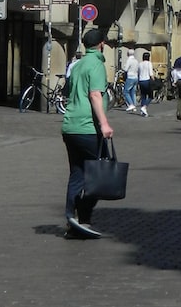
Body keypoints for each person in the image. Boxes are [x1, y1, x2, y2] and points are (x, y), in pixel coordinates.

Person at [61, 26, 114, 237]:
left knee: (77, 174)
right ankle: (83, 218)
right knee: (100, 176)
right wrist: (104, 124)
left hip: (70, 126)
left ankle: (71, 218)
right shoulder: (97, 65)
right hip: (88, 128)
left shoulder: (77, 65)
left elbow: (69, 92)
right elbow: (95, 95)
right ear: (101, 44)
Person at [136, 51, 154, 116]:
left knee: (143, 96)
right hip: (147, 80)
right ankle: (144, 107)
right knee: (150, 96)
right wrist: (154, 80)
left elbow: (138, 73)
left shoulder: (140, 64)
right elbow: (151, 73)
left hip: (141, 81)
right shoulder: (149, 63)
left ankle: (142, 110)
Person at [122, 45, 139, 112]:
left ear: (128, 54)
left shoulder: (129, 60)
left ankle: (131, 104)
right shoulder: (136, 60)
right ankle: (134, 107)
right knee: (133, 92)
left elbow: (126, 69)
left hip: (130, 77)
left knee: (126, 92)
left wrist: (124, 67)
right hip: (136, 77)